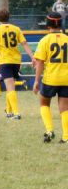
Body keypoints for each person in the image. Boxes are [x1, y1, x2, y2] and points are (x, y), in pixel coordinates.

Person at [0, 8, 34, 120]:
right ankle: (9, 110)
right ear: (9, 17)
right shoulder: (16, 29)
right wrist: (32, 57)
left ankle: (16, 113)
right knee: (9, 86)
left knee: (10, 87)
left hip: (5, 61)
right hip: (16, 61)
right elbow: (24, 44)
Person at [33, 12, 68, 143]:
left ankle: (49, 130)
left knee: (44, 103)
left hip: (51, 78)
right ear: (61, 24)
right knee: (65, 108)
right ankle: (66, 137)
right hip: (66, 78)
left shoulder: (45, 40)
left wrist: (36, 81)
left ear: (48, 25)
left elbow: (40, 63)